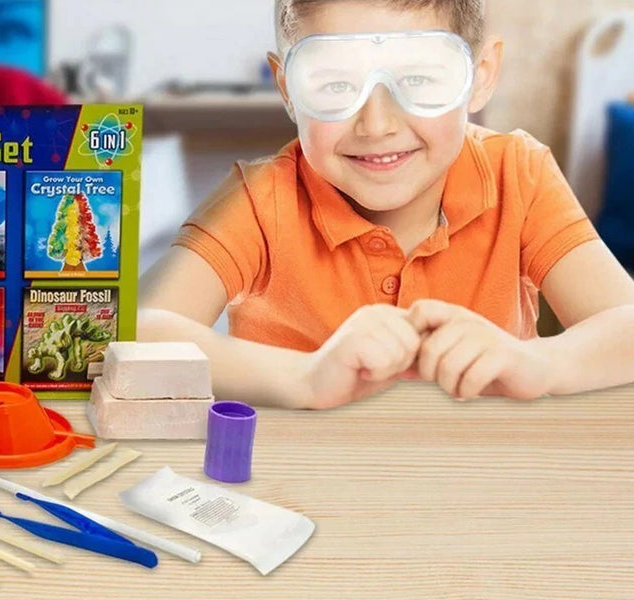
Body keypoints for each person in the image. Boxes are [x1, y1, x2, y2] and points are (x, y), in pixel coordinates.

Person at [138, 0, 634, 409]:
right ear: (288, 88)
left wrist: (541, 364)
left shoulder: (518, 175)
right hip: (298, 481)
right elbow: (134, 332)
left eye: (417, 79)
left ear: (480, 76)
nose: (377, 125)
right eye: (336, 84)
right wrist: (306, 378)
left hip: (482, 474)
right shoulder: (259, 199)